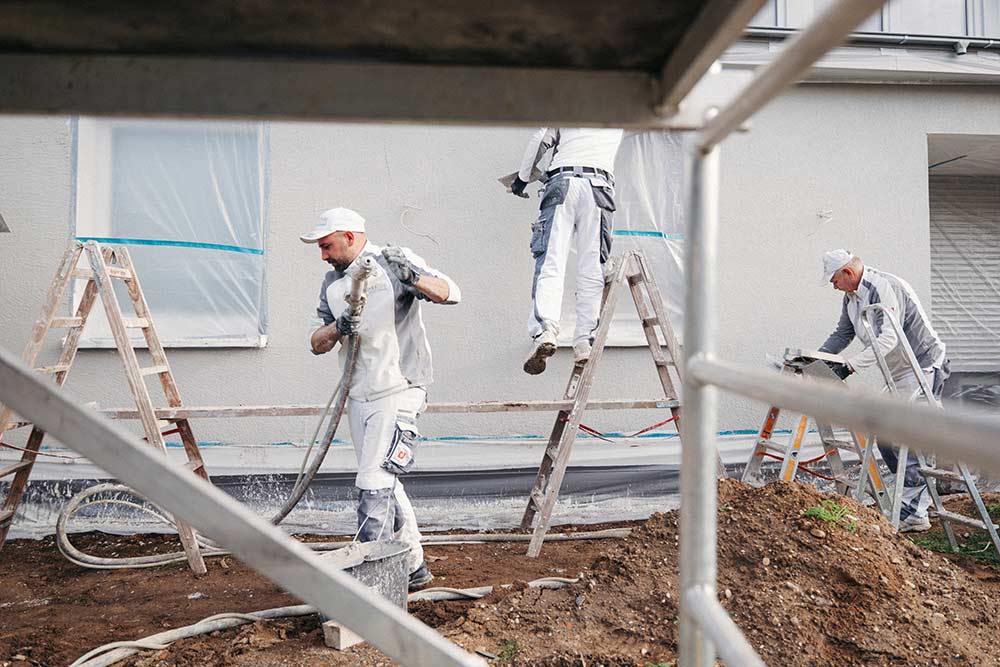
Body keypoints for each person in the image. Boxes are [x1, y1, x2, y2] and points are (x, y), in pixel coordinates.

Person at [303, 207, 461, 590]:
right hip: (359, 393)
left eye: (327, 246)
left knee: (373, 481)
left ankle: (368, 580)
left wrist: (413, 276)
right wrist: (339, 326)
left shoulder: (393, 262)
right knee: (386, 480)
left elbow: (451, 294)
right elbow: (316, 344)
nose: (323, 255)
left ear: (351, 237)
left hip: (400, 387)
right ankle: (414, 568)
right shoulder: (332, 284)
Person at [818, 249, 950, 532]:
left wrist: (850, 366)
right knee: (887, 437)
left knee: (910, 435)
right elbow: (843, 334)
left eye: (834, 280)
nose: (833, 286)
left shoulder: (884, 287)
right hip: (899, 373)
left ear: (848, 273)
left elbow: (888, 339)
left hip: (924, 367)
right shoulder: (851, 298)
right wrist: (816, 359)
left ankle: (915, 510)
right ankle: (914, 504)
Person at [509, 127, 624, 375]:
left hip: (563, 183)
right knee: (592, 268)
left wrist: (522, 178)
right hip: (599, 188)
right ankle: (584, 341)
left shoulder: (568, 103)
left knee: (551, 262)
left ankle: (546, 331)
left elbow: (540, 138)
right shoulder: (619, 111)